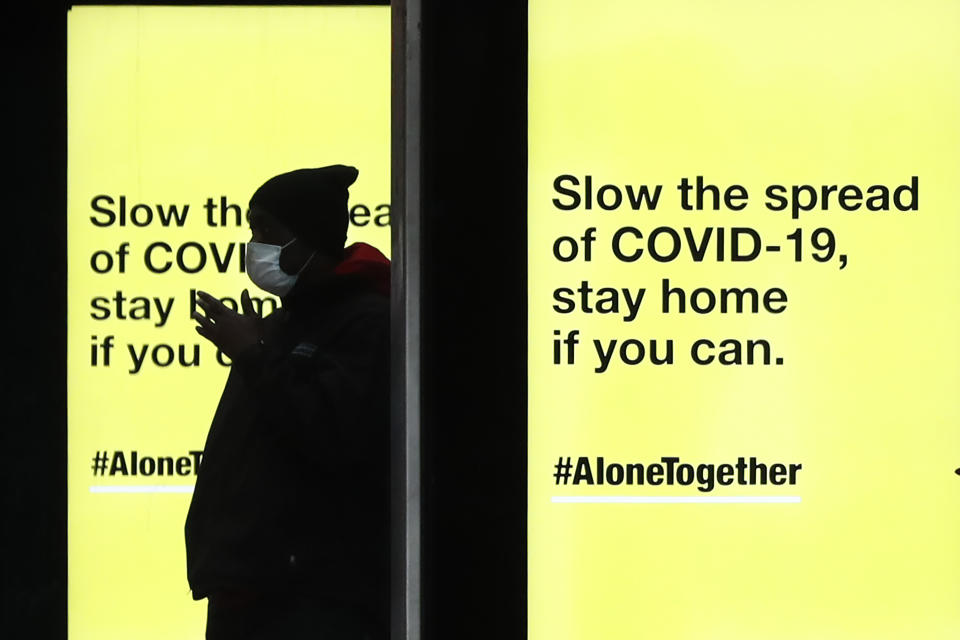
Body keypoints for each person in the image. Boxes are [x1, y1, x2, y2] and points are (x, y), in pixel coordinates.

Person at [184, 165, 391, 640]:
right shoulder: (287, 322)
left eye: (266, 231)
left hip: (312, 600)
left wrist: (255, 357)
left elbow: (335, 436)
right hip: (250, 590)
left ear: (308, 237)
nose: (254, 247)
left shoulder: (366, 320)